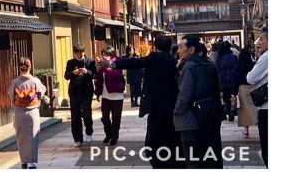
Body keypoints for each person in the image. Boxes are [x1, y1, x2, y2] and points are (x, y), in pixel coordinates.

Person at [112, 35, 184, 168]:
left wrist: (114, 64)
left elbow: (134, 62)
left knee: (155, 136)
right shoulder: (174, 61)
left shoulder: (154, 58)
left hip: (156, 105)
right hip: (173, 105)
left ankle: (159, 161)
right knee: (172, 135)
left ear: (155, 46)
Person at [174, 34, 224, 168]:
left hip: (191, 120)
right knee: (211, 158)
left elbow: (184, 95)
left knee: (194, 161)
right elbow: (218, 88)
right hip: (211, 117)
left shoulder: (189, 66)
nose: (178, 51)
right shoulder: (210, 64)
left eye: (180, 47)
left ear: (191, 49)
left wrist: (176, 112)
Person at [8, 57, 47, 169]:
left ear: (19, 67)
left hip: (19, 113)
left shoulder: (15, 82)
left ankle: (24, 160)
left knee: (21, 138)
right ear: (30, 67)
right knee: (33, 137)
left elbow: (12, 97)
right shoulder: (35, 81)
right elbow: (41, 94)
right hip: (32, 112)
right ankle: (31, 161)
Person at [64, 43, 97, 147]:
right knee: (75, 116)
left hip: (87, 91)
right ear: (74, 53)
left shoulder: (90, 61)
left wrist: (87, 71)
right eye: (77, 52)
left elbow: (95, 74)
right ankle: (78, 138)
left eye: (81, 52)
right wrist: (73, 73)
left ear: (84, 51)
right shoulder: (70, 62)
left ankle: (89, 132)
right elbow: (66, 76)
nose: (79, 54)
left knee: (87, 113)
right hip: (74, 92)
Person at [94, 46, 125, 145]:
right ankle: (108, 133)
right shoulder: (102, 65)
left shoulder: (117, 62)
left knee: (116, 118)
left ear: (112, 55)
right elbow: (99, 80)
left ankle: (114, 137)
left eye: (107, 55)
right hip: (105, 95)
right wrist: (97, 93)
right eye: (103, 54)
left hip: (117, 95)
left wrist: (107, 67)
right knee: (105, 117)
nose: (104, 57)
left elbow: (117, 76)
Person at [247, 28, 268, 168]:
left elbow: (251, 78)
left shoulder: (267, 57)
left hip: (267, 107)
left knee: (268, 147)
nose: (258, 42)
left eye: (261, 39)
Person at [234, 45, 257, 137]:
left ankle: (246, 130)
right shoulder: (253, 65)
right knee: (253, 108)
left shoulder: (238, 66)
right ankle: (257, 124)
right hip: (252, 88)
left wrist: (233, 93)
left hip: (242, 89)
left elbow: (235, 80)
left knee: (244, 110)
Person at [216, 40, 238, 121]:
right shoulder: (234, 57)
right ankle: (232, 110)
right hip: (232, 80)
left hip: (223, 81)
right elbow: (237, 68)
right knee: (232, 96)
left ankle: (229, 111)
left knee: (226, 98)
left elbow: (217, 70)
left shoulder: (219, 59)